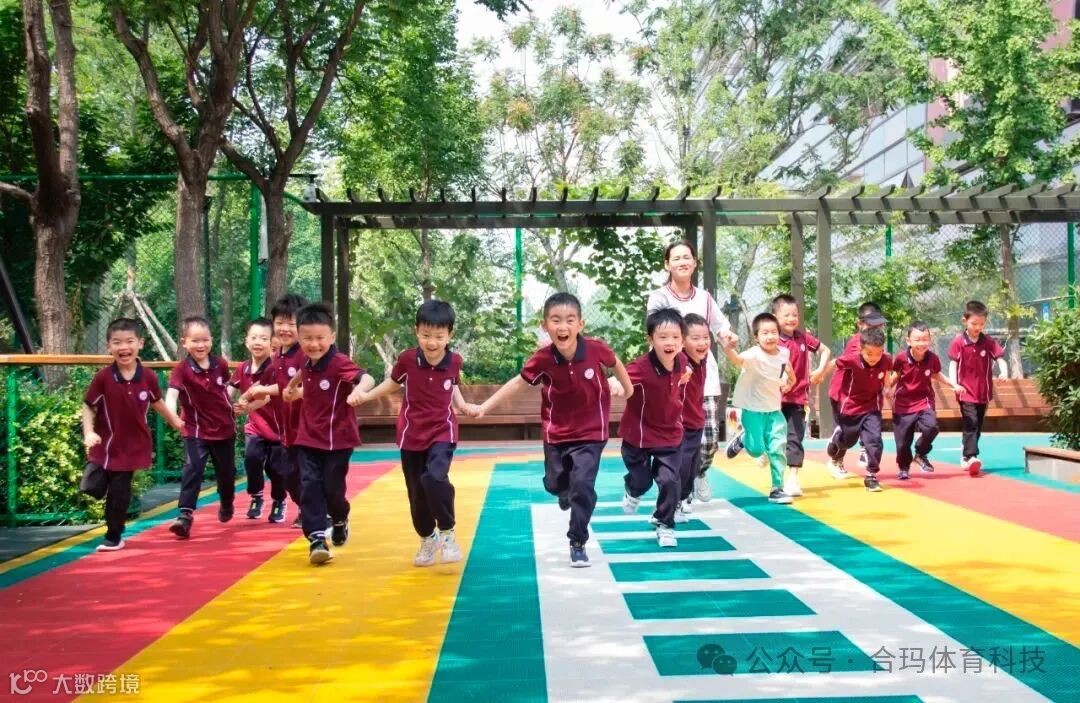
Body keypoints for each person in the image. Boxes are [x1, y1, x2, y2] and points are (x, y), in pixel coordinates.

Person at [478, 293, 633, 567]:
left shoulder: (596, 349)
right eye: (556, 320)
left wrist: (628, 388)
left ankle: (577, 541)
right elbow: (518, 383)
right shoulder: (543, 359)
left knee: (582, 487)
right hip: (557, 433)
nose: (563, 326)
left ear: (581, 324)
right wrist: (484, 407)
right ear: (545, 325)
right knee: (555, 483)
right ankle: (563, 492)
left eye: (570, 320)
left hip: (591, 432)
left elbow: (615, 363)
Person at [349, 300, 482, 567]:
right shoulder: (408, 359)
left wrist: (462, 405)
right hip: (411, 434)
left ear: (450, 335)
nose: (432, 342)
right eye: (426, 335)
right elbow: (392, 383)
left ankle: (447, 532)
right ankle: (427, 538)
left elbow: (452, 385)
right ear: (416, 331)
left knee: (434, 478)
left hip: (443, 430)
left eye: (439, 337)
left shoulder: (454, 360)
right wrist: (366, 396)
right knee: (417, 492)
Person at [645, 240, 738, 504]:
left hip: (703, 378)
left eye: (687, 257)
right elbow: (656, 332)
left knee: (708, 440)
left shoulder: (704, 298)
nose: (682, 262)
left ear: (695, 263)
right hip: (672, 377)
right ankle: (679, 489)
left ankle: (699, 472)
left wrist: (727, 335)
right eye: (676, 258)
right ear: (667, 265)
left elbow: (720, 326)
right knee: (678, 439)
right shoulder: (659, 297)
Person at [283, 303, 374, 564]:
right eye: (307, 338)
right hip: (308, 437)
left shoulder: (338, 362)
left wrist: (359, 391)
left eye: (320, 338)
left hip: (338, 439)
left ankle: (340, 517)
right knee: (309, 485)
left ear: (332, 337)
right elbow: (301, 373)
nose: (314, 344)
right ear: (299, 338)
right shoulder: (305, 360)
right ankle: (316, 539)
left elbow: (366, 378)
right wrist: (291, 387)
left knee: (333, 490)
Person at [82, 318, 184, 551]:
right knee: (90, 486)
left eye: (129, 341)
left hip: (131, 447)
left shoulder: (148, 377)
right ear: (109, 347)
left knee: (119, 493)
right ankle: (110, 510)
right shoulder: (103, 377)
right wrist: (89, 432)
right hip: (104, 446)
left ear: (140, 343)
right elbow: (88, 405)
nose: (124, 347)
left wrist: (176, 422)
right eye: (117, 342)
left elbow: (157, 403)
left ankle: (113, 536)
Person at [619, 308, 688, 548]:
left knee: (670, 481)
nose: (670, 342)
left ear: (682, 340)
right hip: (638, 436)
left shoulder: (681, 360)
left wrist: (685, 376)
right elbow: (620, 379)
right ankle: (632, 488)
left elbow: (684, 372)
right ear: (650, 340)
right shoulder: (639, 367)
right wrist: (615, 384)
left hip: (670, 435)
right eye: (663, 337)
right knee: (642, 481)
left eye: (676, 337)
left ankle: (664, 523)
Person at [239, 294, 307, 527]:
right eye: (280, 323)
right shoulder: (277, 357)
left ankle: (318, 512)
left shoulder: (306, 353)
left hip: (308, 428)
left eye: (291, 323)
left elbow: (301, 385)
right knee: (288, 476)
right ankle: (308, 507)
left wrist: (262, 390)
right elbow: (269, 388)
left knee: (308, 473)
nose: (285, 328)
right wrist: (249, 400)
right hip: (286, 429)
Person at [166, 316, 237, 539]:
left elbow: (225, 389)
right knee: (193, 468)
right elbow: (172, 395)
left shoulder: (220, 364)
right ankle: (185, 515)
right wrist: (172, 416)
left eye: (205, 340)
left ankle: (227, 501)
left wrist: (235, 405)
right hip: (195, 430)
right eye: (195, 341)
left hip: (224, 429)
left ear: (211, 340)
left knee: (226, 473)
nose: (201, 345)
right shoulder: (182, 370)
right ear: (184, 342)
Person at [722, 313, 797, 504]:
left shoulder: (783, 352)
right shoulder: (754, 354)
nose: (770, 336)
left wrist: (791, 381)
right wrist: (728, 349)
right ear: (756, 337)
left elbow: (787, 367)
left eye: (773, 332)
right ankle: (743, 439)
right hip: (753, 410)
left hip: (774, 411)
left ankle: (777, 488)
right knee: (756, 450)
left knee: (777, 448)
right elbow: (737, 360)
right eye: (765, 333)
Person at [229, 318, 288, 522]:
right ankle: (256, 496)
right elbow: (229, 389)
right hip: (255, 428)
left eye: (263, 338)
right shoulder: (243, 368)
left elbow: (267, 397)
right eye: (254, 337)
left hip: (278, 429)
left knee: (276, 469)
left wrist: (247, 406)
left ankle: (279, 500)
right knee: (252, 460)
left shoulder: (275, 368)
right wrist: (224, 404)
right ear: (246, 341)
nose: (258, 342)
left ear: (272, 343)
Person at [772, 294, 831, 497]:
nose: (791, 319)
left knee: (795, 437)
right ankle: (755, 443)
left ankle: (793, 478)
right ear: (775, 316)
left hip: (797, 398)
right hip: (773, 398)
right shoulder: (772, 340)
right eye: (786, 315)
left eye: (795, 315)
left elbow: (825, 350)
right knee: (774, 438)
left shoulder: (803, 338)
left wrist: (820, 370)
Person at [889, 321, 964, 479]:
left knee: (931, 428)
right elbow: (896, 375)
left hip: (924, 400)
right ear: (908, 341)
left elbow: (936, 374)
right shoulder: (902, 358)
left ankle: (921, 453)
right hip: (903, 404)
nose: (922, 343)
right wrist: (887, 388)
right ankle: (904, 467)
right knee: (902, 441)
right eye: (917, 339)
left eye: (925, 339)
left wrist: (953, 385)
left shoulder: (932, 358)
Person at [826, 327, 893, 492]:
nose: (874, 358)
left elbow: (886, 372)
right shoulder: (852, 360)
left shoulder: (886, 359)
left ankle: (871, 476)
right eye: (869, 354)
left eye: (878, 353)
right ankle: (837, 439)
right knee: (849, 440)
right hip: (851, 406)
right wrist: (820, 374)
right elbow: (834, 363)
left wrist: (887, 387)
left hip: (872, 406)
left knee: (874, 440)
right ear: (861, 350)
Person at [947, 300, 1008, 476]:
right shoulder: (959, 342)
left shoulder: (988, 341)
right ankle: (971, 456)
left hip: (983, 393)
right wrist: (954, 384)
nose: (977, 327)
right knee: (971, 422)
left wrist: (1004, 372)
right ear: (964, 320)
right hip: (965, 392)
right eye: (974, 323)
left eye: (981, 324)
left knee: (977, 425)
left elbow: (1000, 359)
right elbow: (953, 364)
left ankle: (966, 452)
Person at [677, 314, 710, 522]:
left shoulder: (702, 358)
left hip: (697, 423)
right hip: (679, 425)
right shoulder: (680, 361)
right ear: (682, 341)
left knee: (691, 468)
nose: (702, 343)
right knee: (680, 466)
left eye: (706, 337)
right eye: (695, 338)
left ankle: (682, 499)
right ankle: (670, 505)